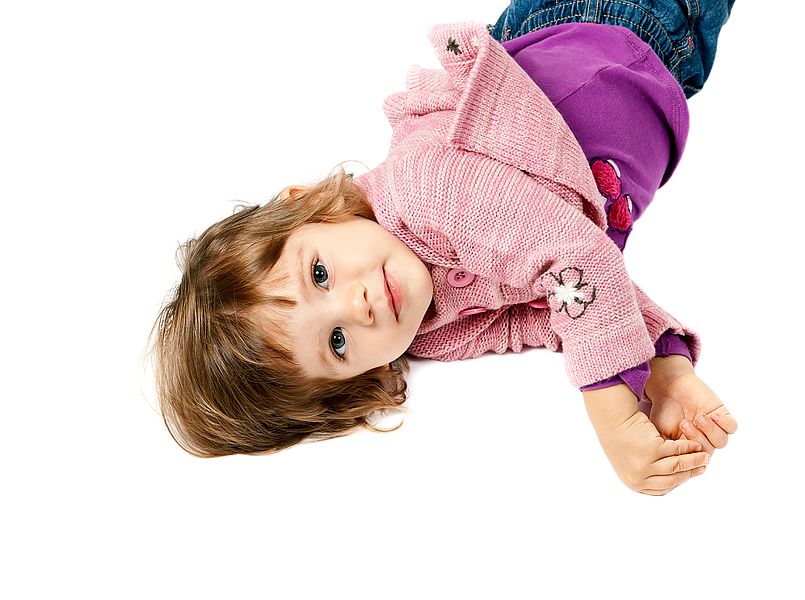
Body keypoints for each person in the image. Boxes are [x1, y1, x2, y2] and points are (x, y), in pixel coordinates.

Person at [152, 0, 738, 495]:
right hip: (659, 70)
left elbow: (576, 259)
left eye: (321, 275)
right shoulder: (432, 331)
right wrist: (662, 367)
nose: (356, 307)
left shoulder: (424, 190)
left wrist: (611, 409)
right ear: (361, 381)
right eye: (336, 342)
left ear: (308, 207)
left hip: (624, 18)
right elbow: (555, 307)